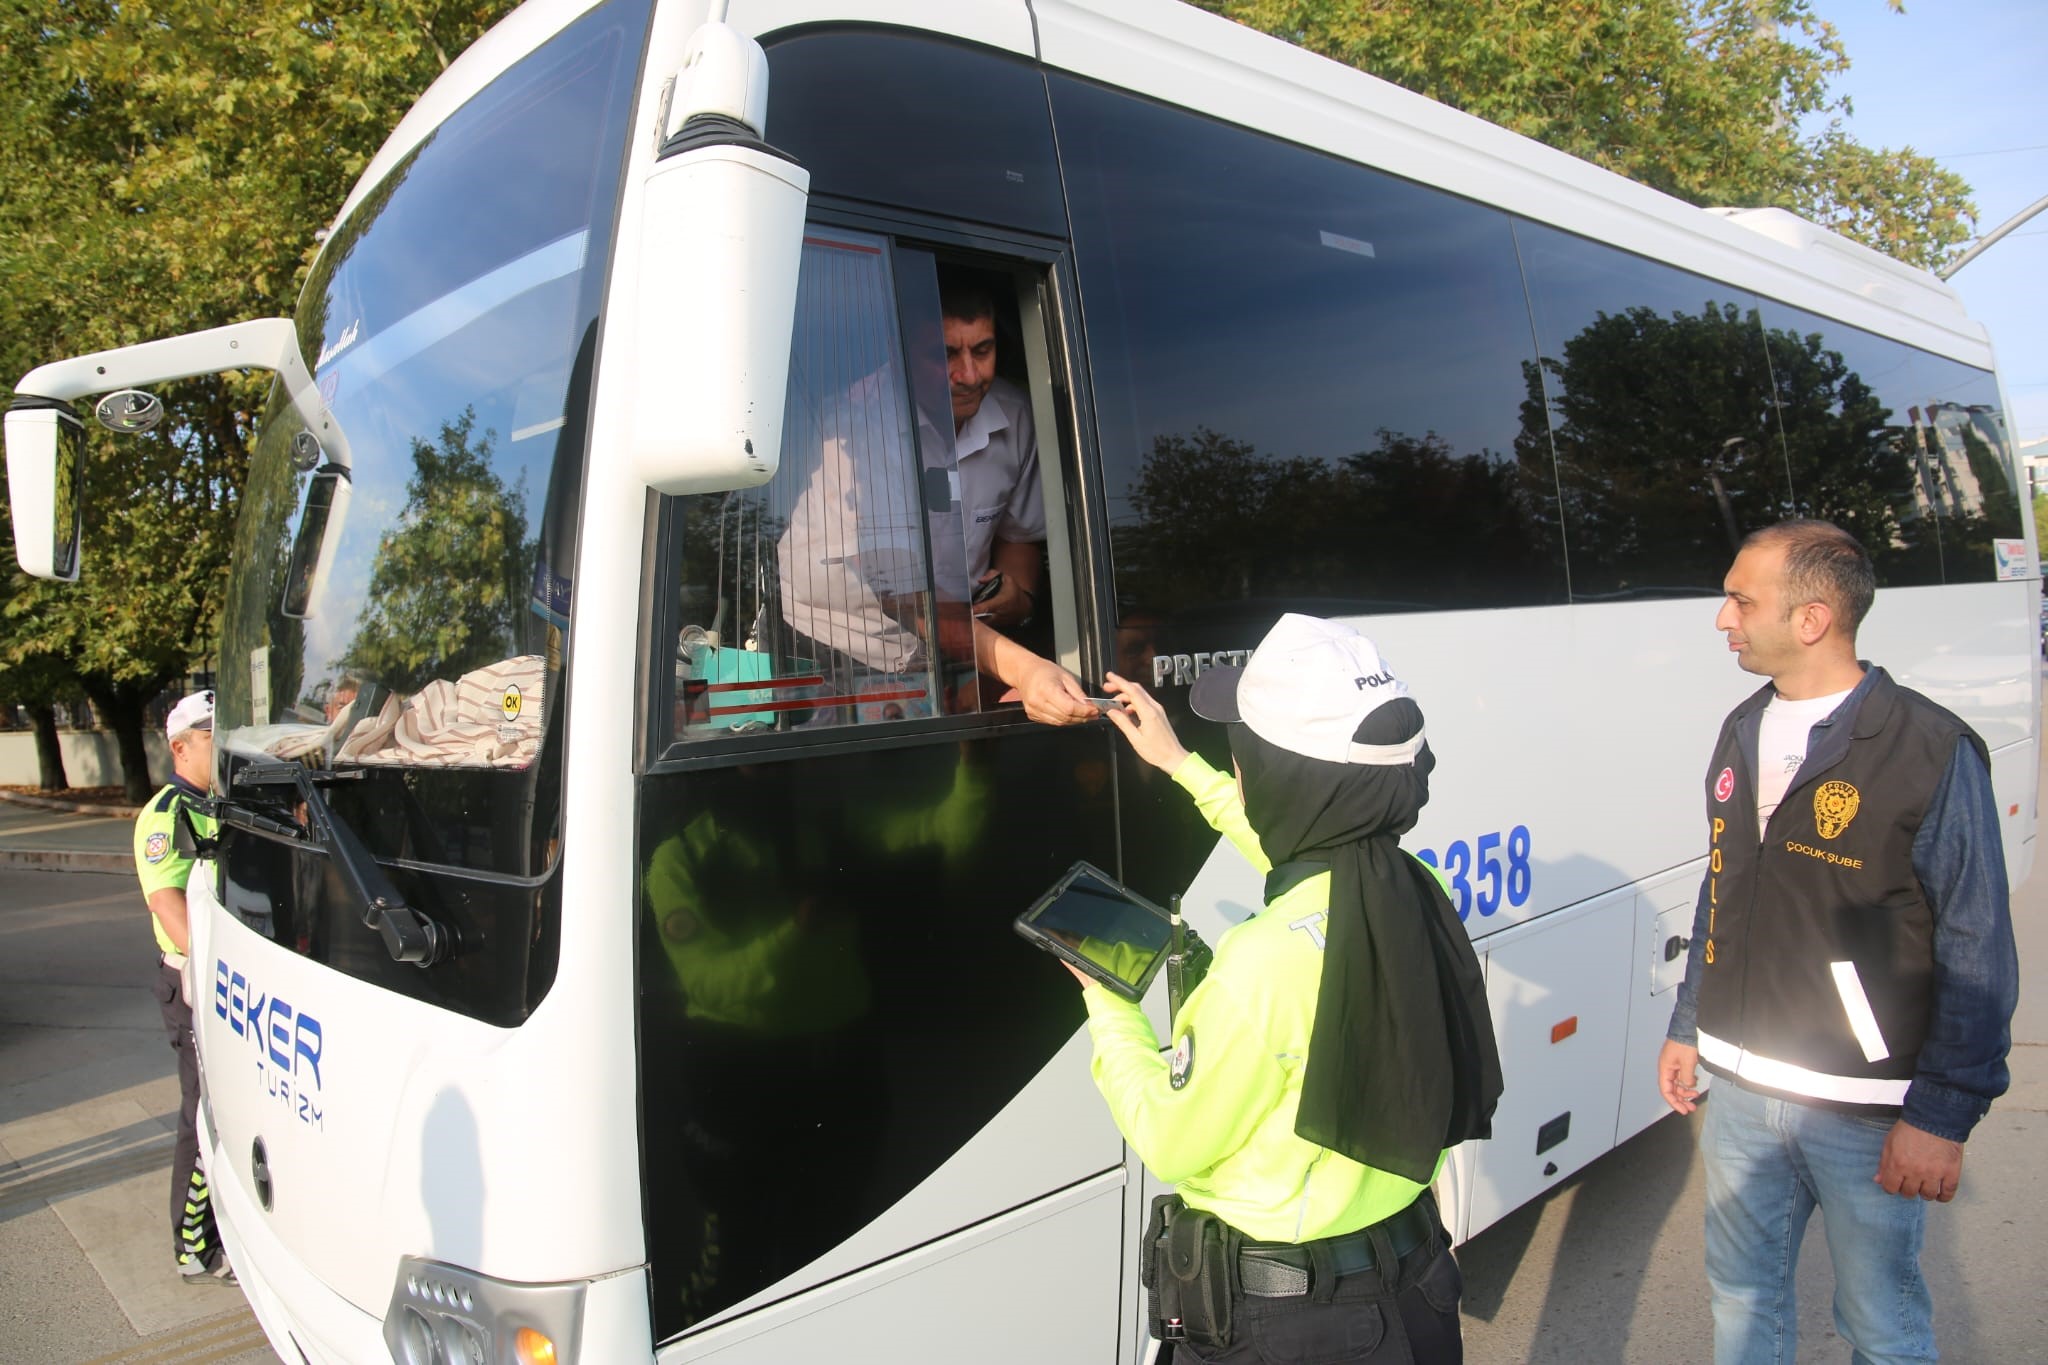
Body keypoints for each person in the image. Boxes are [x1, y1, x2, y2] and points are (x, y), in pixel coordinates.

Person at [1073, 614, 1501, 1362]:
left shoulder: (1261, 964)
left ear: (1282, 779)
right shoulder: (1412, 885)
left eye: (1244, 756)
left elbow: (1171, 1140)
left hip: (1296, 1329)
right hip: (1419, 1291)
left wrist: (1106, 999)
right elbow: (1311, 848)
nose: (1239, 768)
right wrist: (1181, 765)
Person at [1658, 519, 2018, 1364]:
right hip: (1742, 1093)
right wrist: (1688, 1023)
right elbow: (1725, 884)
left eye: (1742, 599)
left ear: (1813, 617)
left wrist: (1942, 1114)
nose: (1723, 618)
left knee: (1882, 1327)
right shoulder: (1743, 728)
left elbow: (1977, 946)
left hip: (1866, 1108)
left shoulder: (1931, 749)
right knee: (1743, 1303)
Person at [776, 279, 1095, 726]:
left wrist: (1016, 599)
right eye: (945, 355)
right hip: (836, 649)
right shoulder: (853, 430)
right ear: (900, 351)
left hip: (960, 646)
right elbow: (905, 597)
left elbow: (1018, 537)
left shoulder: (1017, 415)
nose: (969, 375)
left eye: (982, 351)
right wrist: (1025, 670)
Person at [132, 690, 234, 1284]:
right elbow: (169, 903)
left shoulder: (221, 802)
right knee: (202, 1113)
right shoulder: (167, 813)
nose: (221, 748)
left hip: (231, 979)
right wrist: (222, 966)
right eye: (210, 738)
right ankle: (194, 1244)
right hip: (196, 981)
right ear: (179, 746)